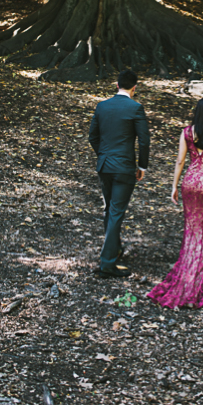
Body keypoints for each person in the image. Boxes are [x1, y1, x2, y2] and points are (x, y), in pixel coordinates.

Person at [147, 96, 203, 309]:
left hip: (190, 182)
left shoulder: (187, 132)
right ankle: (194, 285)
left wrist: (174, 186)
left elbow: (180, 160)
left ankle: (187, 276)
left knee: (191, 232)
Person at [88, 69, 150, 278]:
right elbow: (143, 140)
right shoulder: (136, 108)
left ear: (116, 85)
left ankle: (114, 249)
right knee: (115, 211)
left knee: (109, 209)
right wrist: (142, 167)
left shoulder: (102, 106)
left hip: (104, 165)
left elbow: (92, 136)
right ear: (135, 87)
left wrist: (103, 155)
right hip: (124, 168)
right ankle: (107, 263)